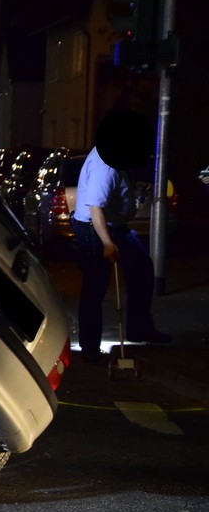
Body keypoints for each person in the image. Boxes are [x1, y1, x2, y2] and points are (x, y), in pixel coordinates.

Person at [71, 108, 171, 364]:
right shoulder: (107, 167)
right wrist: (107, 243)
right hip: (97, 231)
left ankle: (139, 327)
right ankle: (90, 348)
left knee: (142, 268)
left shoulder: (114, 154)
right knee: (96, 287)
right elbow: (95, 208)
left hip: (116, 227)